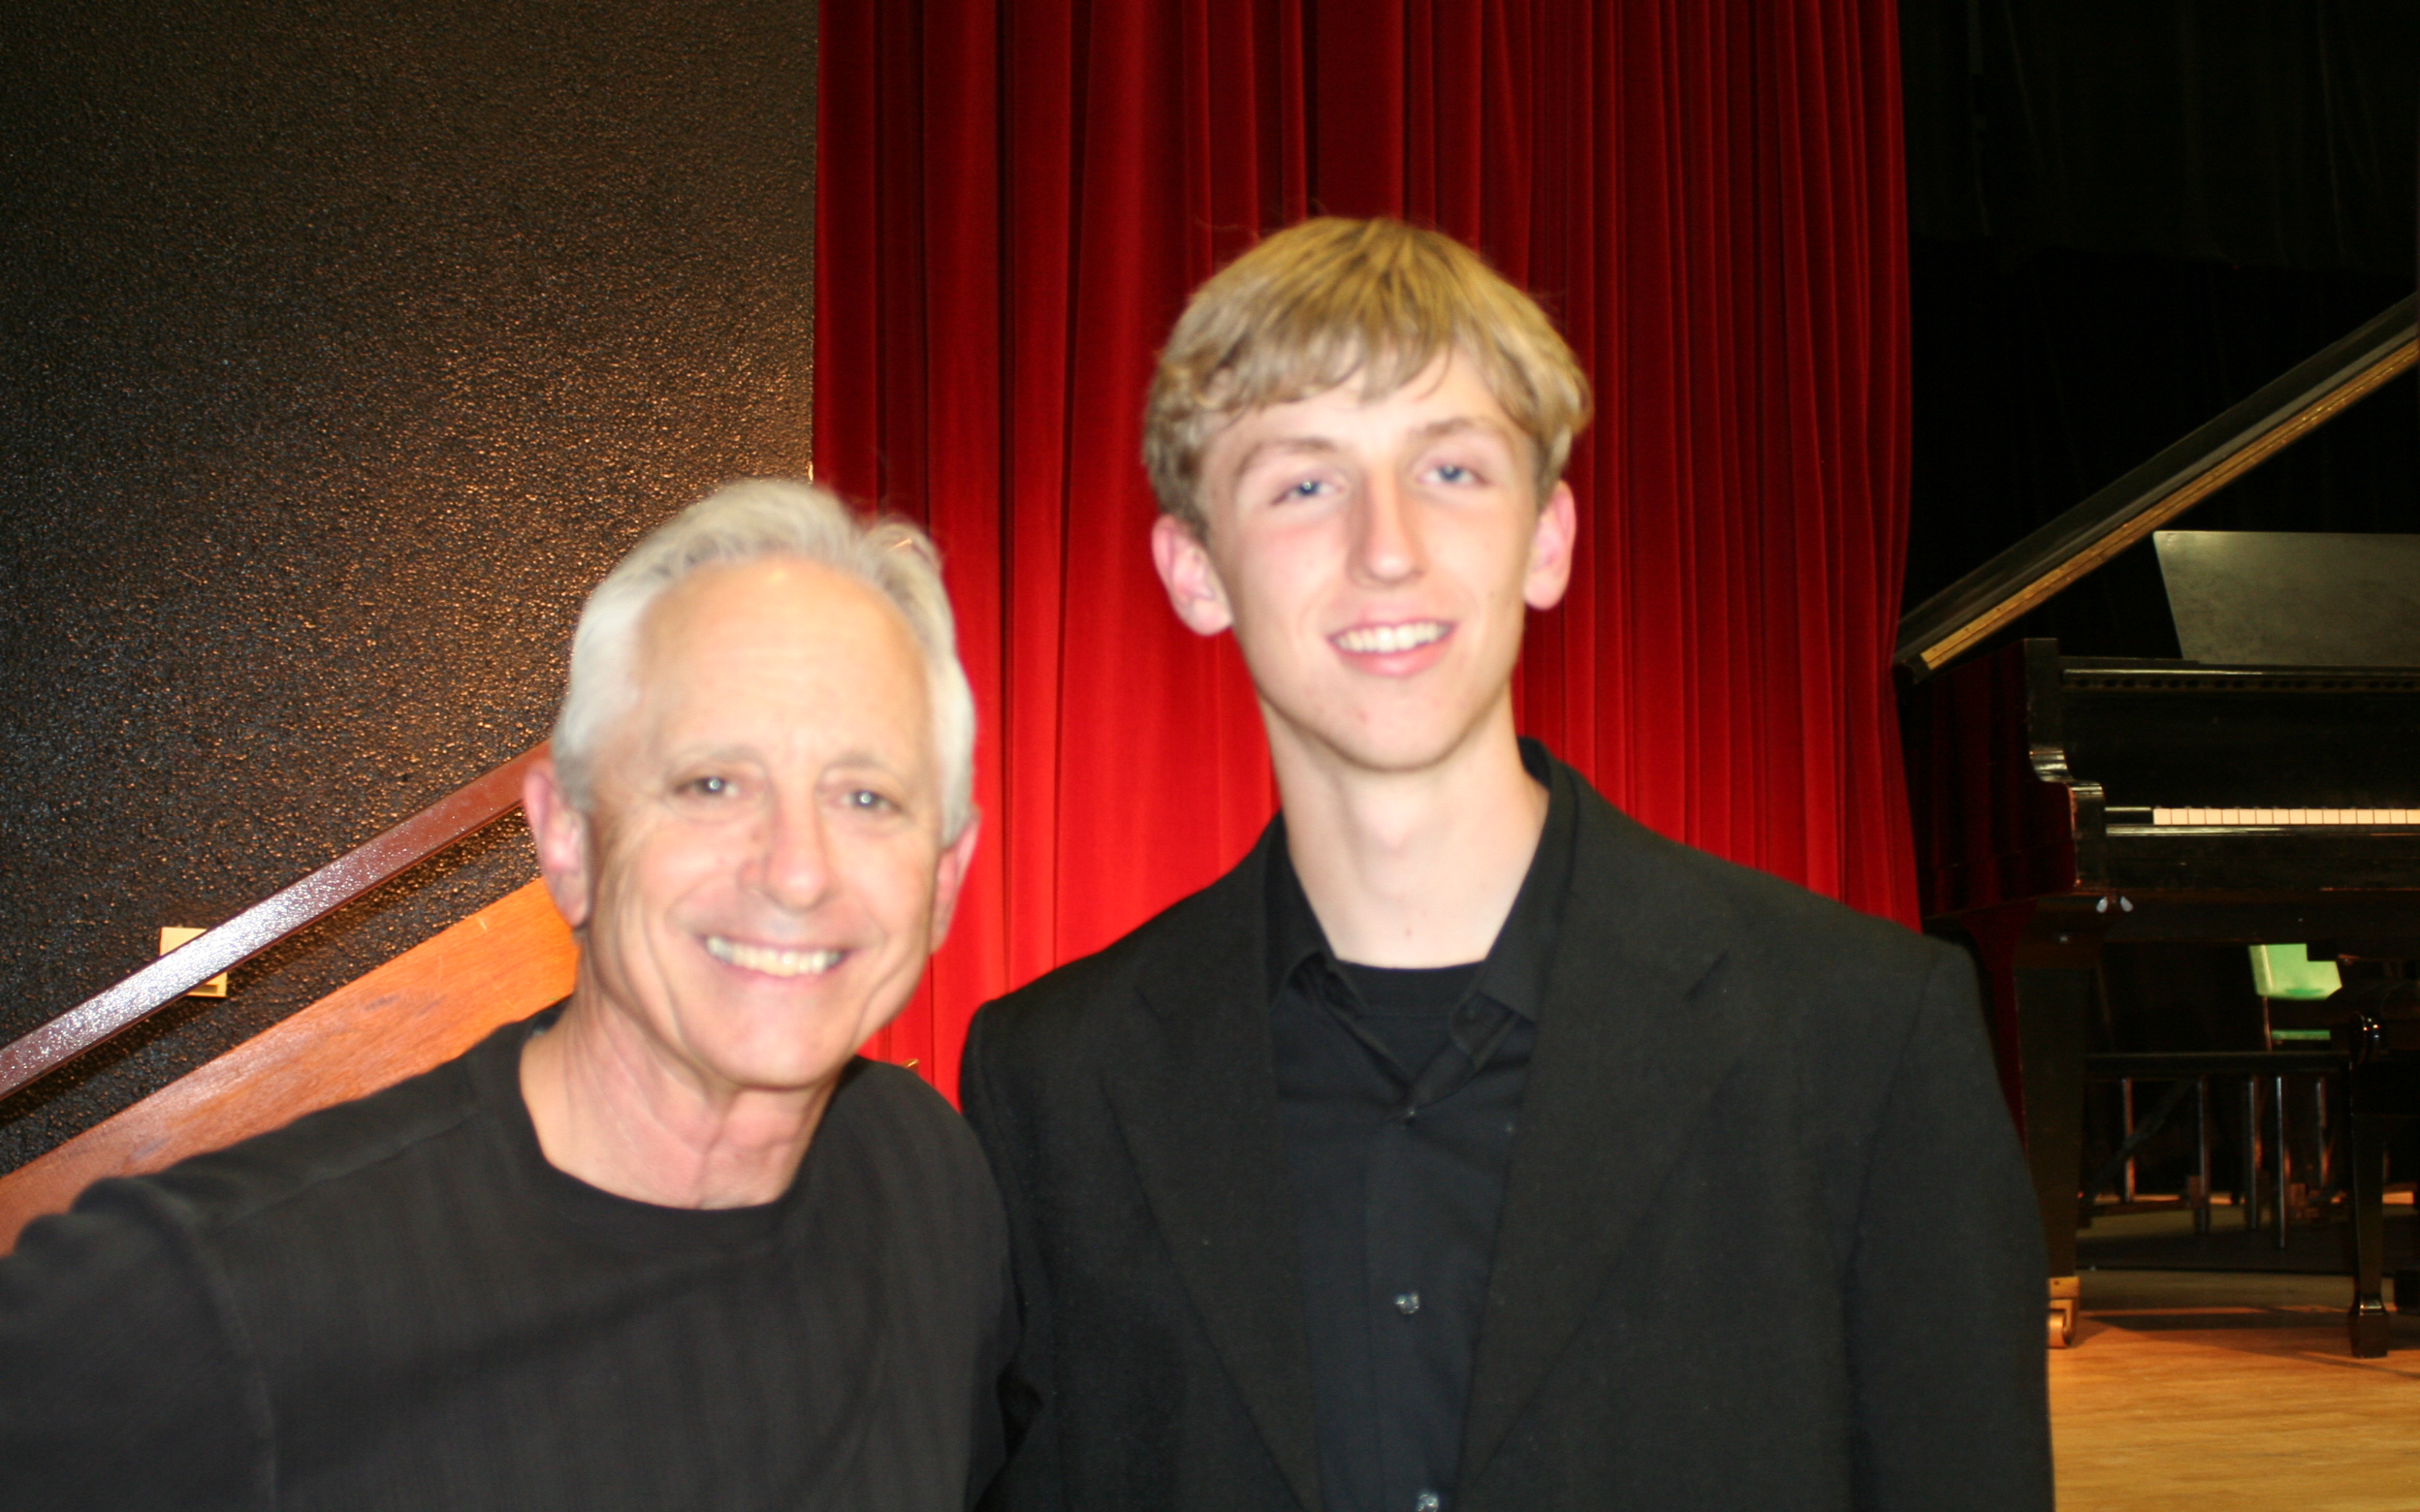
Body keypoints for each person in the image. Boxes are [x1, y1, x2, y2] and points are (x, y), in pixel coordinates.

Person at [959, 219, 2052, 1512]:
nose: (1387, 546)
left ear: (1548, 538)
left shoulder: (1868, 1039)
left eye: (1452, 470)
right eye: (1304, 483)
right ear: (1195, 570)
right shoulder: (1053, 1084)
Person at [0, 480, 1010, 1511]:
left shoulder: (924, 1179)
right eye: (712, 783)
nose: (796, 871)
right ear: (567, 838)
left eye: (867, 796)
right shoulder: (213, 1295)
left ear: (944, 878)